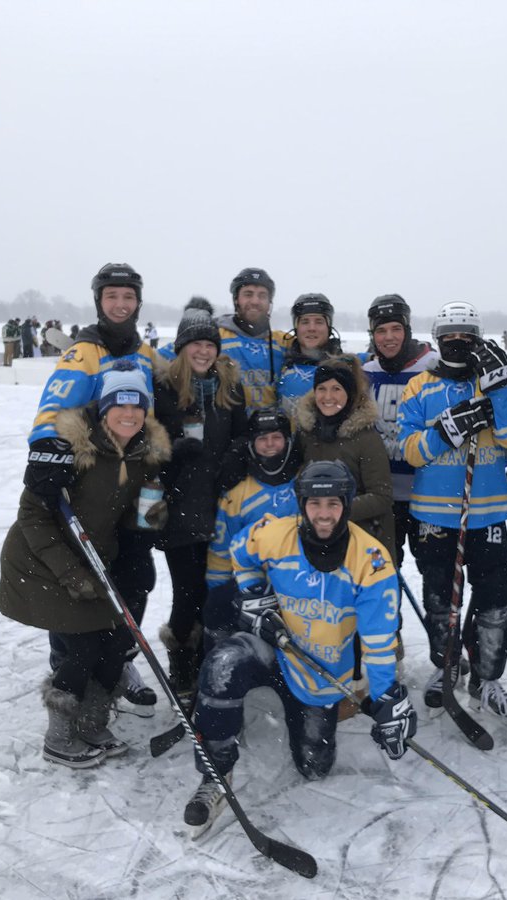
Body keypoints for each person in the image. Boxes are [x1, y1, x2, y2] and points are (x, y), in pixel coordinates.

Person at [182, 461, 412, 833]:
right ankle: (215, 773)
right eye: (315, 505)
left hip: (318, 672)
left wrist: (387, 698)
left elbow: (379, 643)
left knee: (314, 767)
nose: (323, 515)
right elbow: (240, 553)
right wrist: (254, 592)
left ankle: (301, 714)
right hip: (273, 648)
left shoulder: (371, 561)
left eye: (333, 505)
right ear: (301, 504)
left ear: (347, 505)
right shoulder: (275, 534)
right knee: (223, 665)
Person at [0, 364, 171, 768]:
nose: (129, 414)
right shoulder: (70, 449)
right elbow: (33, 517)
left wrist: (155, 509)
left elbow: (138, 520)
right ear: (104, 408)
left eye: (137, 406)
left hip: (96, 559)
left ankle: (92, 722)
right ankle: (59, 738)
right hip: (44, 560)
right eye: (119, 406)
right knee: (80, 650)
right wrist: (70, 573)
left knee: (113, 646)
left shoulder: (145, 453)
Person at [25, 263, 167, 702]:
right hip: (87, 482)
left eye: (128, 297)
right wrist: (46, 452)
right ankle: (67, 665)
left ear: (138, 302)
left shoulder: (145, 354)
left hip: (131, 482)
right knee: (81, 579)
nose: (120, 304)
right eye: (112, 297)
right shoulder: (84, 352)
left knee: (135, 576)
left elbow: (164, 401)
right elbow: (54, 406)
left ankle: (117, 659)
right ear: (99, 302)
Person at [398, 301, 507, 723]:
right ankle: (446, 665)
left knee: (496, 601)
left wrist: (502, 387)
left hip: (485, 514)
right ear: (436, 340)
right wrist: (445, 431)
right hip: (434, 517)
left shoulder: (488, 384)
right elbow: (410, 450)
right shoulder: (419, 387)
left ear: (477, 340)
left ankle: (487, 677)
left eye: (465, 337)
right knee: (441, 601)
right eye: (448, 337)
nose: (457, 344)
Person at [153, 303, 247, 706]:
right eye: (196, 344)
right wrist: (172, 451)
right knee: (186, 591)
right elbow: (146, 441)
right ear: (182, 348)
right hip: (180, 507)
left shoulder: (230, 386)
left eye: (210, 343)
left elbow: (244, 434)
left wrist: (233, 459)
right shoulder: (165, 388)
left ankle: (212, 657)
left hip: (220, 505)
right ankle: (182, 662)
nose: (203, 351)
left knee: (217, 591)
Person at [203, 407, 303, 648]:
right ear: (251, 444)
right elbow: (221, 550)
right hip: (253, 588)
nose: (270, 445)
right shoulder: (236, 494)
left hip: (300, 585)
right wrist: (219, 597)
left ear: (288, 441)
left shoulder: (304, 484)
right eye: (262, 439)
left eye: (277, 438)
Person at [361, 294, 438, 572]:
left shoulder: (432, 366)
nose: (389, 337)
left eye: (396, 329)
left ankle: (439, 618)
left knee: (434, 575)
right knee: (380, 575)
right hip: (382, 497)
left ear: (407, 330)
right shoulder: (366, 371)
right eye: (381, 330)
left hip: (427, 496)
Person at [293, 356, 394, 555]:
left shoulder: (366, 438)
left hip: (360, 539)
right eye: (322, 389)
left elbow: (382, 496)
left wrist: (336, 509)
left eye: (336, 389)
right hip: (315, 535)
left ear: (349, 393)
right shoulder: (306, 433)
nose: (328, 397)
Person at [214, 268, 291, 411]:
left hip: (273, 430)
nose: (255, 301)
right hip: (230, 428)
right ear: (236, 299)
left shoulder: (284, 342)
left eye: (262, 295)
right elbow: (164, 360)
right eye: (248, 294)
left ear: (269, 302)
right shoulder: (215, 336)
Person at [277, 293, 343, 415]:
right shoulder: (280, 364)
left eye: (319, 322)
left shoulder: (346, 367)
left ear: (329, 327)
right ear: (296, 327)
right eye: (305, 322)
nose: (311, 328)